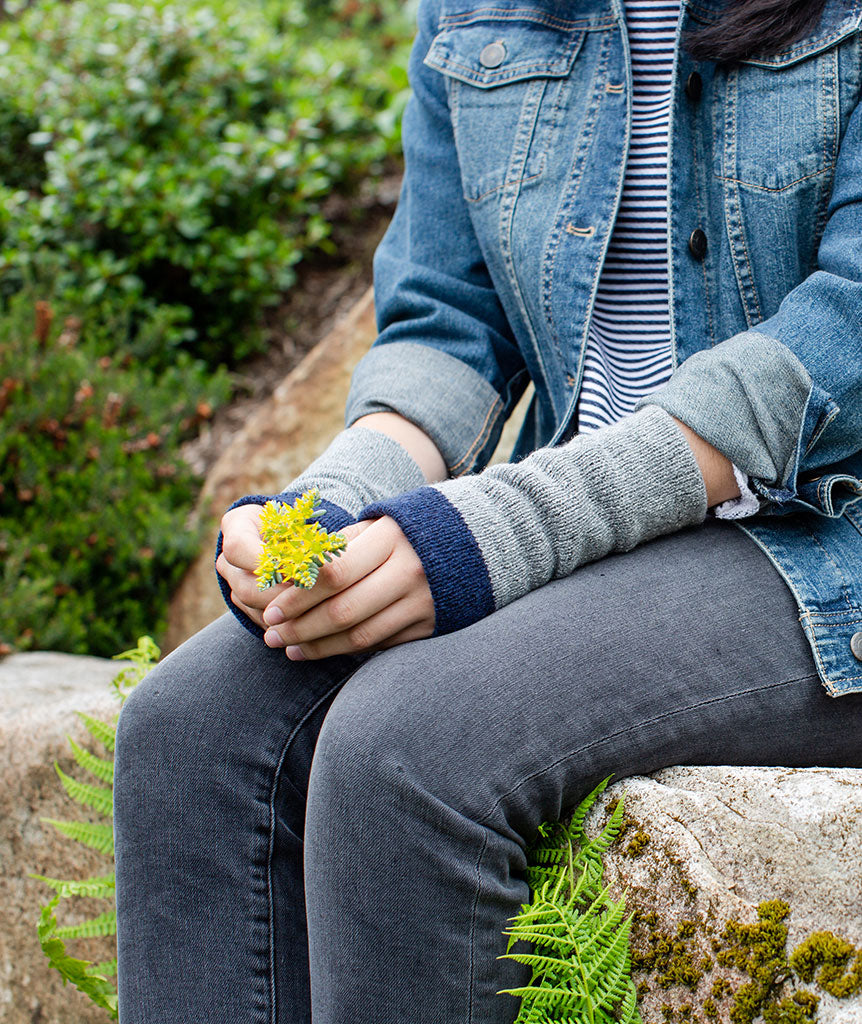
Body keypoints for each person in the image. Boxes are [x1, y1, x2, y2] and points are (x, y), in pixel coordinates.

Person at [113, 0, 862, 1020]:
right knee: (188, 731)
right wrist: (315, 517)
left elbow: (841, 332)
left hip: (821, 535)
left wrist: (496, 532)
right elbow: (446, 321)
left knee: (409, 748)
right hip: (580, 521)